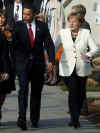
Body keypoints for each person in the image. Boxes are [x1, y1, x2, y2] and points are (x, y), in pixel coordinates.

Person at [14, 2, 55, 130]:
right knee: (23, 90)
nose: (24, 16)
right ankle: (21, 118)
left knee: (36, 93)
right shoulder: (18, 26)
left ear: (34, 15)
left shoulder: (42, 26)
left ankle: (34, 119)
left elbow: (49, 44)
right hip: (23, 64)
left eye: (27, 14)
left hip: (38, 65)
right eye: (24, 14)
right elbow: (13, 45)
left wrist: (51, 61)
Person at [55, 12, 98, 128]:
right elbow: (55, 47)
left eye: (74, 21)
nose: (71, 23)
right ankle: (74, 119)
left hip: (82, 67)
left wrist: (88, 55)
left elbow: (95, 48)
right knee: (73, 93)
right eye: (70, 21)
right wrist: (53, 61)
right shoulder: (63, 33)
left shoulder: (86, 33)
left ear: (80, 23)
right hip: (67, 68)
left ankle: (75, 115)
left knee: (80, 94)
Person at [71, 4, 91, 115]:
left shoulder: (85, 26)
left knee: (80, 86)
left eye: (74, 13)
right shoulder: (79, 25)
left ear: (80, 14)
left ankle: (83, 108)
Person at [44, 0, 65, 85]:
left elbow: (62, 22)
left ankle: (55, 77)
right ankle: (50, 75)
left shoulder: (59, 5)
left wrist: (60, 36)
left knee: (54, 57)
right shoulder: (48, 4)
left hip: (55, 34)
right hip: (47, 32)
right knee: (46, 56)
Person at [0, 9, 15, 125]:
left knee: (3, 92)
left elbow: (11, 50)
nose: (1, 19)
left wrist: (10, 38)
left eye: (3, 17)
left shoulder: (9, 31)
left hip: (6, 64)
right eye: (0, 17)